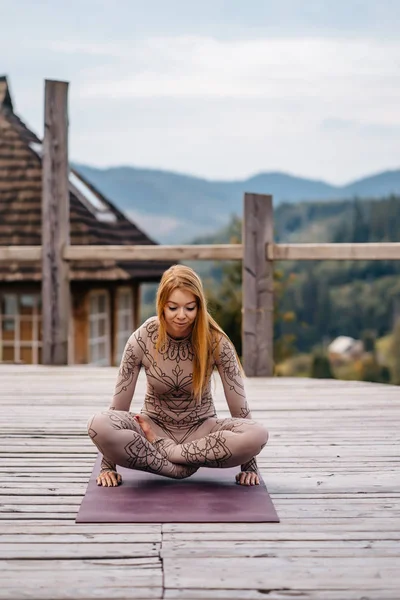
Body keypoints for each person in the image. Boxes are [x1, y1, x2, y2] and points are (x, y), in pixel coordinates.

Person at [87, 265, 268, 487]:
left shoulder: (217, 342)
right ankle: (175, 467)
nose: (181, 316)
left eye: (190, 308)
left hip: (201, 432)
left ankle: (169, 453)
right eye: (173, 308)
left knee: (257, 433)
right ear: (161, 305)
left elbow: (240, 410)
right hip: (152, 428)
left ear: (199, 307)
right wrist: (108, 465)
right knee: (98, 424)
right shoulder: (142, 338)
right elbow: (118, 407)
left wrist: (249, 466)